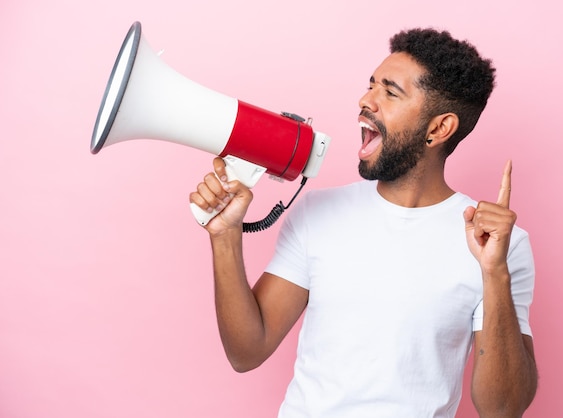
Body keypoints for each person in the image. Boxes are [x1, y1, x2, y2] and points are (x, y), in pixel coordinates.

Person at [190, 28, 538, 418]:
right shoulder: (316, 214)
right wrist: (225, 236)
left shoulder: (500, 246)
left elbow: (504, 409)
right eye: (371, 85)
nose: (365, 100)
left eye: (390, 92)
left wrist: (494, 272)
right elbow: (246, 352)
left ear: (438, 129)